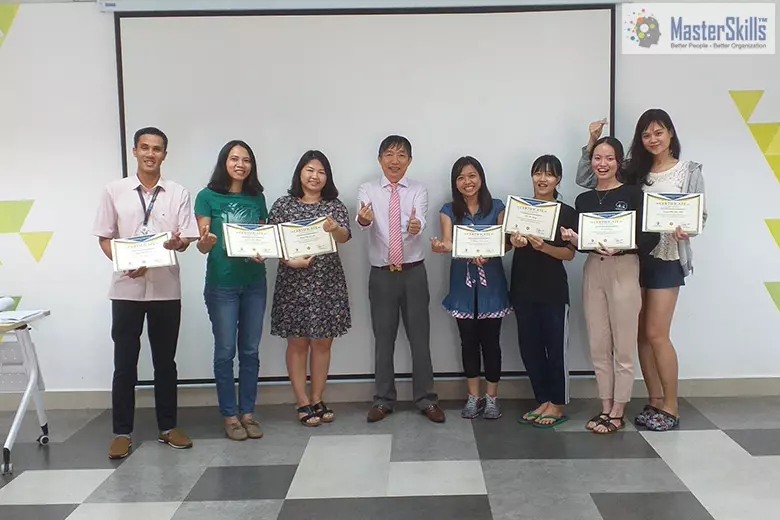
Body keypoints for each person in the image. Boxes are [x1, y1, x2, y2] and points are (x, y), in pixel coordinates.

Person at [576, 112, 706, 431]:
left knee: (656, 334)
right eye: (646, 135)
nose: (653, 140)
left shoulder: (688, 170)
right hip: (633, 259)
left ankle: (671, 406)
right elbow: (590, 179)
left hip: (665, 257)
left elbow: (699, 215)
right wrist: (591, 143)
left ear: (671, 133)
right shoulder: (635, 171)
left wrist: (688, 229)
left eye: (658, 133)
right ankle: (655, 401)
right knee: (638, 337)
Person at [93, 127, 199, 459]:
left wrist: (178, 242)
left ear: (165, 154)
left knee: (165, 362)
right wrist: (125, 263)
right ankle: (121, 432)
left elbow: (186, 238)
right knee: (124, 363)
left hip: (166, 290)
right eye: (145, 148)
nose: (150, 154)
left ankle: (168, 427)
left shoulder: (178, 192)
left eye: (157, 149)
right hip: (126, 289)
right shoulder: (114, 191)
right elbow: (104, 237)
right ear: (135, 152)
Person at [561, 136, 659, 434]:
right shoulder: (584, 200)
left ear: (618, 162)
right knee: (599, 344)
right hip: (594, 270)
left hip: (625, 268)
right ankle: (605, 405)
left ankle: (619, 409)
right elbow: (585, 243)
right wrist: (575, 240)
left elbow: (651, 235)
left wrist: (624, 246)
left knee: (624, 345)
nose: (602, 164)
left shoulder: (633, 194)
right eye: (597, 158)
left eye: (609, 158)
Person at [357, 135, 444, 423]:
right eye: (389, 154)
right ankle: (383, 400)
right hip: (382, 275)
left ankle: (426, 399)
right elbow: (363, 221)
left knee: (420, 339)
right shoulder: (367, 189)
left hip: (413, 273)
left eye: (401, 155)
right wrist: (365, 219)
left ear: (410, 160)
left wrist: (417, 226)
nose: (395, 161)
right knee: (384, 340)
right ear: (380, 159)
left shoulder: (418, 189)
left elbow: (419, 222)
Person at [268, 150, 352, 427]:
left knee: (323, 342)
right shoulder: (283, 205)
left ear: (327, 177)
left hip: (327, 283)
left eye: (321, 172)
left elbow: (345, 237)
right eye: (310, 170)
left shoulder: (334, 206)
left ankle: (317, 398)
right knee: (297, 342)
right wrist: (289, 261)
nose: (315, 176)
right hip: (293, 283)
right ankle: (302, 401)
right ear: (300, 173)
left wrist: (334, 228)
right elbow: (273, 243)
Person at [194, 140, 267, 441]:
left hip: (254, 283)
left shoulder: (257, 197)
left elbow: (261, 237)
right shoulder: (206, 196)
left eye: (246, 160)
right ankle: (230, 416)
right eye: (234, 158)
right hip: (222, 284)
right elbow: (202, 245)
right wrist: (206, 243)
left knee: (250, 351)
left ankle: (248, 413)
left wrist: (261, 251)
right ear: (224, 162)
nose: (241, 164)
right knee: (225, 352)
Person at [430, 156, 510, 420]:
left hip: (492, 285)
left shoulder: (497, 207)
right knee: (468, 343)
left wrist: (489, 252)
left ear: (481, 178)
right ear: (455, 183)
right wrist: (443, 247)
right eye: (461, 177)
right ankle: (473, 397)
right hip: (462, 287)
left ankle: (492, 398)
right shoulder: (448, 210)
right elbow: (447, 242)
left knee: (492, 343)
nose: (468, 182)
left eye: (472, 175)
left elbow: (504, 243)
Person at [509, 155, 577, 428]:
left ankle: (557, 404)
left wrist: (544, 247)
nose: (542, 179)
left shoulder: (566, 212)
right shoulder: (520, 209)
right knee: (530, 348)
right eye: (538, 173)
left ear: (558, 179)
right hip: (523, 288)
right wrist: (514, 241)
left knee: (555, 348)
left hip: (553, 291)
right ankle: (543, 400)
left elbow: (569, 254)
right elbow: (506, 244)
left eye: (549, 174)